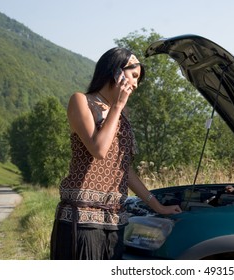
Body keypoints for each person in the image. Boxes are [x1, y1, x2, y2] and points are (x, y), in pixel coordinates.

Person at [50, 47, 182, 260]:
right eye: (134, 76)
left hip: (114, 221)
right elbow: (99, 150)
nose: (136, 84)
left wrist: (159, 207)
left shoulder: (122, 114)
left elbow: (124, 170)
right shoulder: (81, 101)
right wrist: (118, 106)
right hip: (81, 220)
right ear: (116, 72)